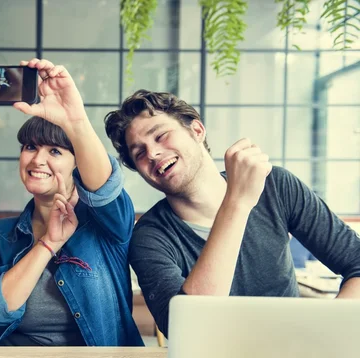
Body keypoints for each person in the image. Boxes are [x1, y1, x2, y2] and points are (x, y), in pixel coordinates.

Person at [104, 90, 360, 337]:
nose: (153, 153)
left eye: (160, 136)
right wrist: (237, 202)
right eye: (139, 153)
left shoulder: (275, 186)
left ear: (197, 130)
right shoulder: (149, 237)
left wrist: (329, 333)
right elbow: (190, 331)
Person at [0, 58, 143, 346]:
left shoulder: (108, 226)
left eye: (55, 151)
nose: (37, 160)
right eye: (30, 147)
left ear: (78, 164)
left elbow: (105, 187)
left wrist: (74, 120)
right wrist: (48, 244)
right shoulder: (1, 234)